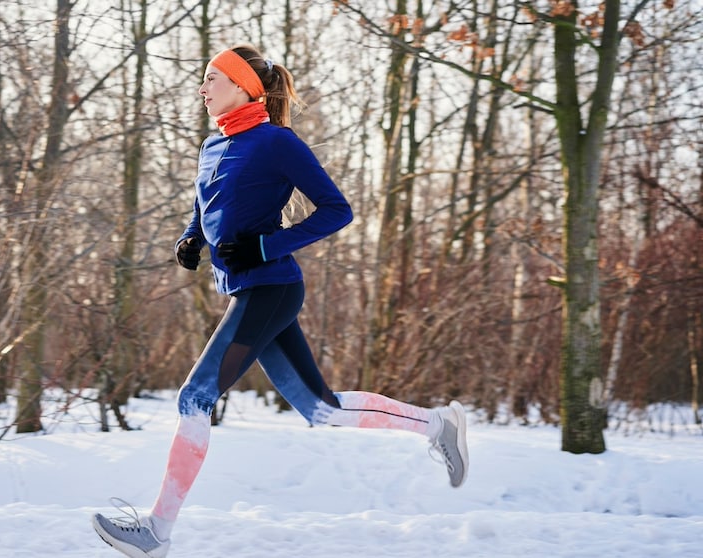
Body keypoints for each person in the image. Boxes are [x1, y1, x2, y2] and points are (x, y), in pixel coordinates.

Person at [91, 44, 469, 558]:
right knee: (322, 411)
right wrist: (191, 238)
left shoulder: (276, 142)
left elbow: (338, 210)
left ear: (244, 87)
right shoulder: (212, 145)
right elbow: (207, 203)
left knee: (194, 396)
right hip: (249, 291)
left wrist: (267, 244)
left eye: (211, 80)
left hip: (273, 287)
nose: (202, 89)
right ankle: (438, 423)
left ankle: (156, 531)